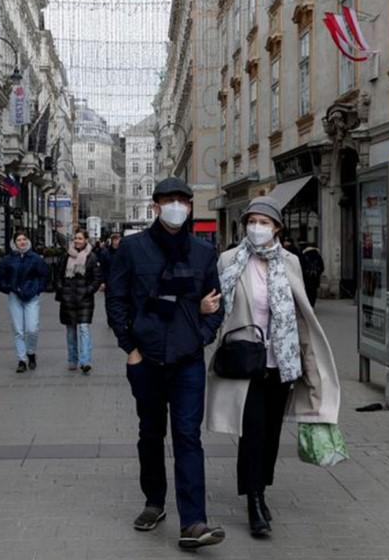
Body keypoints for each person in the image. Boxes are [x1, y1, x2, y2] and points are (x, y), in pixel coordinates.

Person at [204, 196, 342, 539]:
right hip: (246, 360)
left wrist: (310, 366)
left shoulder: (291, 262)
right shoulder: (229, 260)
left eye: (264, 223)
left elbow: (301, 314)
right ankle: (253, 501)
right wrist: (205, 310)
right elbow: (215, 303)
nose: (257, 227)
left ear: (277, 228)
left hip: (282, 361)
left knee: (271, 435)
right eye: (252, 221)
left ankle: (262, 488)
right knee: (251, 433)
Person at [107, 176, 226, 549]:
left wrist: (203, 336)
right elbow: (117, 300)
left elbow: (215, 304)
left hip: (188, 359)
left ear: (190, 206)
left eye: (183, 200)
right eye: (169, 199)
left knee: (188, 436)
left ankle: (194, 522)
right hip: (147, 358)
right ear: (156, 205)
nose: (176, 205)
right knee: (150, 433)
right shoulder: (132, 248)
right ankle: (154, 501)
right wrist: (130, 347)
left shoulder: (203, 253)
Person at [0, 231, 50, 373]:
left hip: (31, 296)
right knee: (18, 330)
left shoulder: (35, 258)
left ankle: (31, 352)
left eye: (24, 239)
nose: (22, 242)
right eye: (19, 240)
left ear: (28, 241)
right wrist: (8, 288)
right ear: (14, 243)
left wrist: (38, 288)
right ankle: (21, 359)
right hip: (15, 296)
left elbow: (45, 275)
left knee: (32, 328)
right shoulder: (9, 259)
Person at [55, 229, 103, 374]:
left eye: (80, 238)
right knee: (71, 332)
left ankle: (85, 361)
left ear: (86, 240)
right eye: (76, 238)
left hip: (84, 300)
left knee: (83, 329)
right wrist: (62, 290)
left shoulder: (92, 257)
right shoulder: (66, 256)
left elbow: (97, 279)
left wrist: (88, 291)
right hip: (68, 299)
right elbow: (58, 276)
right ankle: (72, 359)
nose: (77, 241)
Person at [301, 242, 325, 307]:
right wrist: (318, 273)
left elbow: (301, 266)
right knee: (313, 292)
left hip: (306, 277)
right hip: (315, 277)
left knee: (307, 291)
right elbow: (322, 267)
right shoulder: (318, 256)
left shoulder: (304, 255)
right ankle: (312, 305)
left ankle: (307, 305)